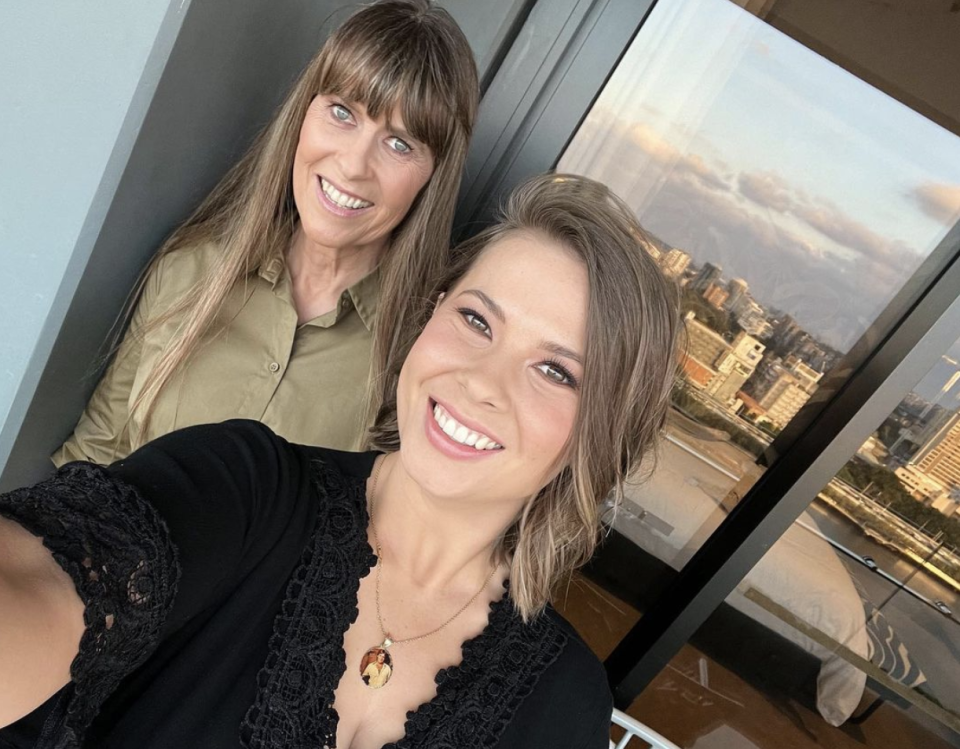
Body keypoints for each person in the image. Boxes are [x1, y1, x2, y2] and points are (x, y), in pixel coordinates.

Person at [0, 174, 682, 749]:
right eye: (477, 320)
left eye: (555, 370)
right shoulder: (245, 488)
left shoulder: (564, 704)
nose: (482, 381)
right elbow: (43, 582)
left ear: (599, 442)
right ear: (430, 315)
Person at [52, 0, 479, 466]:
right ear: (304, 113)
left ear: (432, 179)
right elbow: (97, 453)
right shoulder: (191, 268)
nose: (354, 166)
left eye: (399, 143)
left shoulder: (418, 359)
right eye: (342, 112)